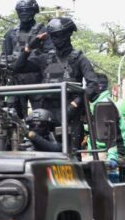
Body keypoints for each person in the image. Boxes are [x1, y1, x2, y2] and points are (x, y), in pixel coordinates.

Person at [13, 17, 99, 151]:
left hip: (70, 114)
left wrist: (75, 104)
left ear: (68, 34)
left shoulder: (79, 59)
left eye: (59, 35)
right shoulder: (45, 59)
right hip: (47, 115)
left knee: (71, 154)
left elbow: (93, 85)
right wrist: (29, 47)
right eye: (53, 36)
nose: (56, 39)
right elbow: (18, 67)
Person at [1, 0, 52, 117]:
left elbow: (50, 56)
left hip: (37, 79)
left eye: (27, 10)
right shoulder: (11, 33)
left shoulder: (43, 31)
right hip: (15, 79)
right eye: (21, 11)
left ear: (34, 11)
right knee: (12, 116)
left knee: (41, 115)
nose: (24, 14)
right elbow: (4, 56)